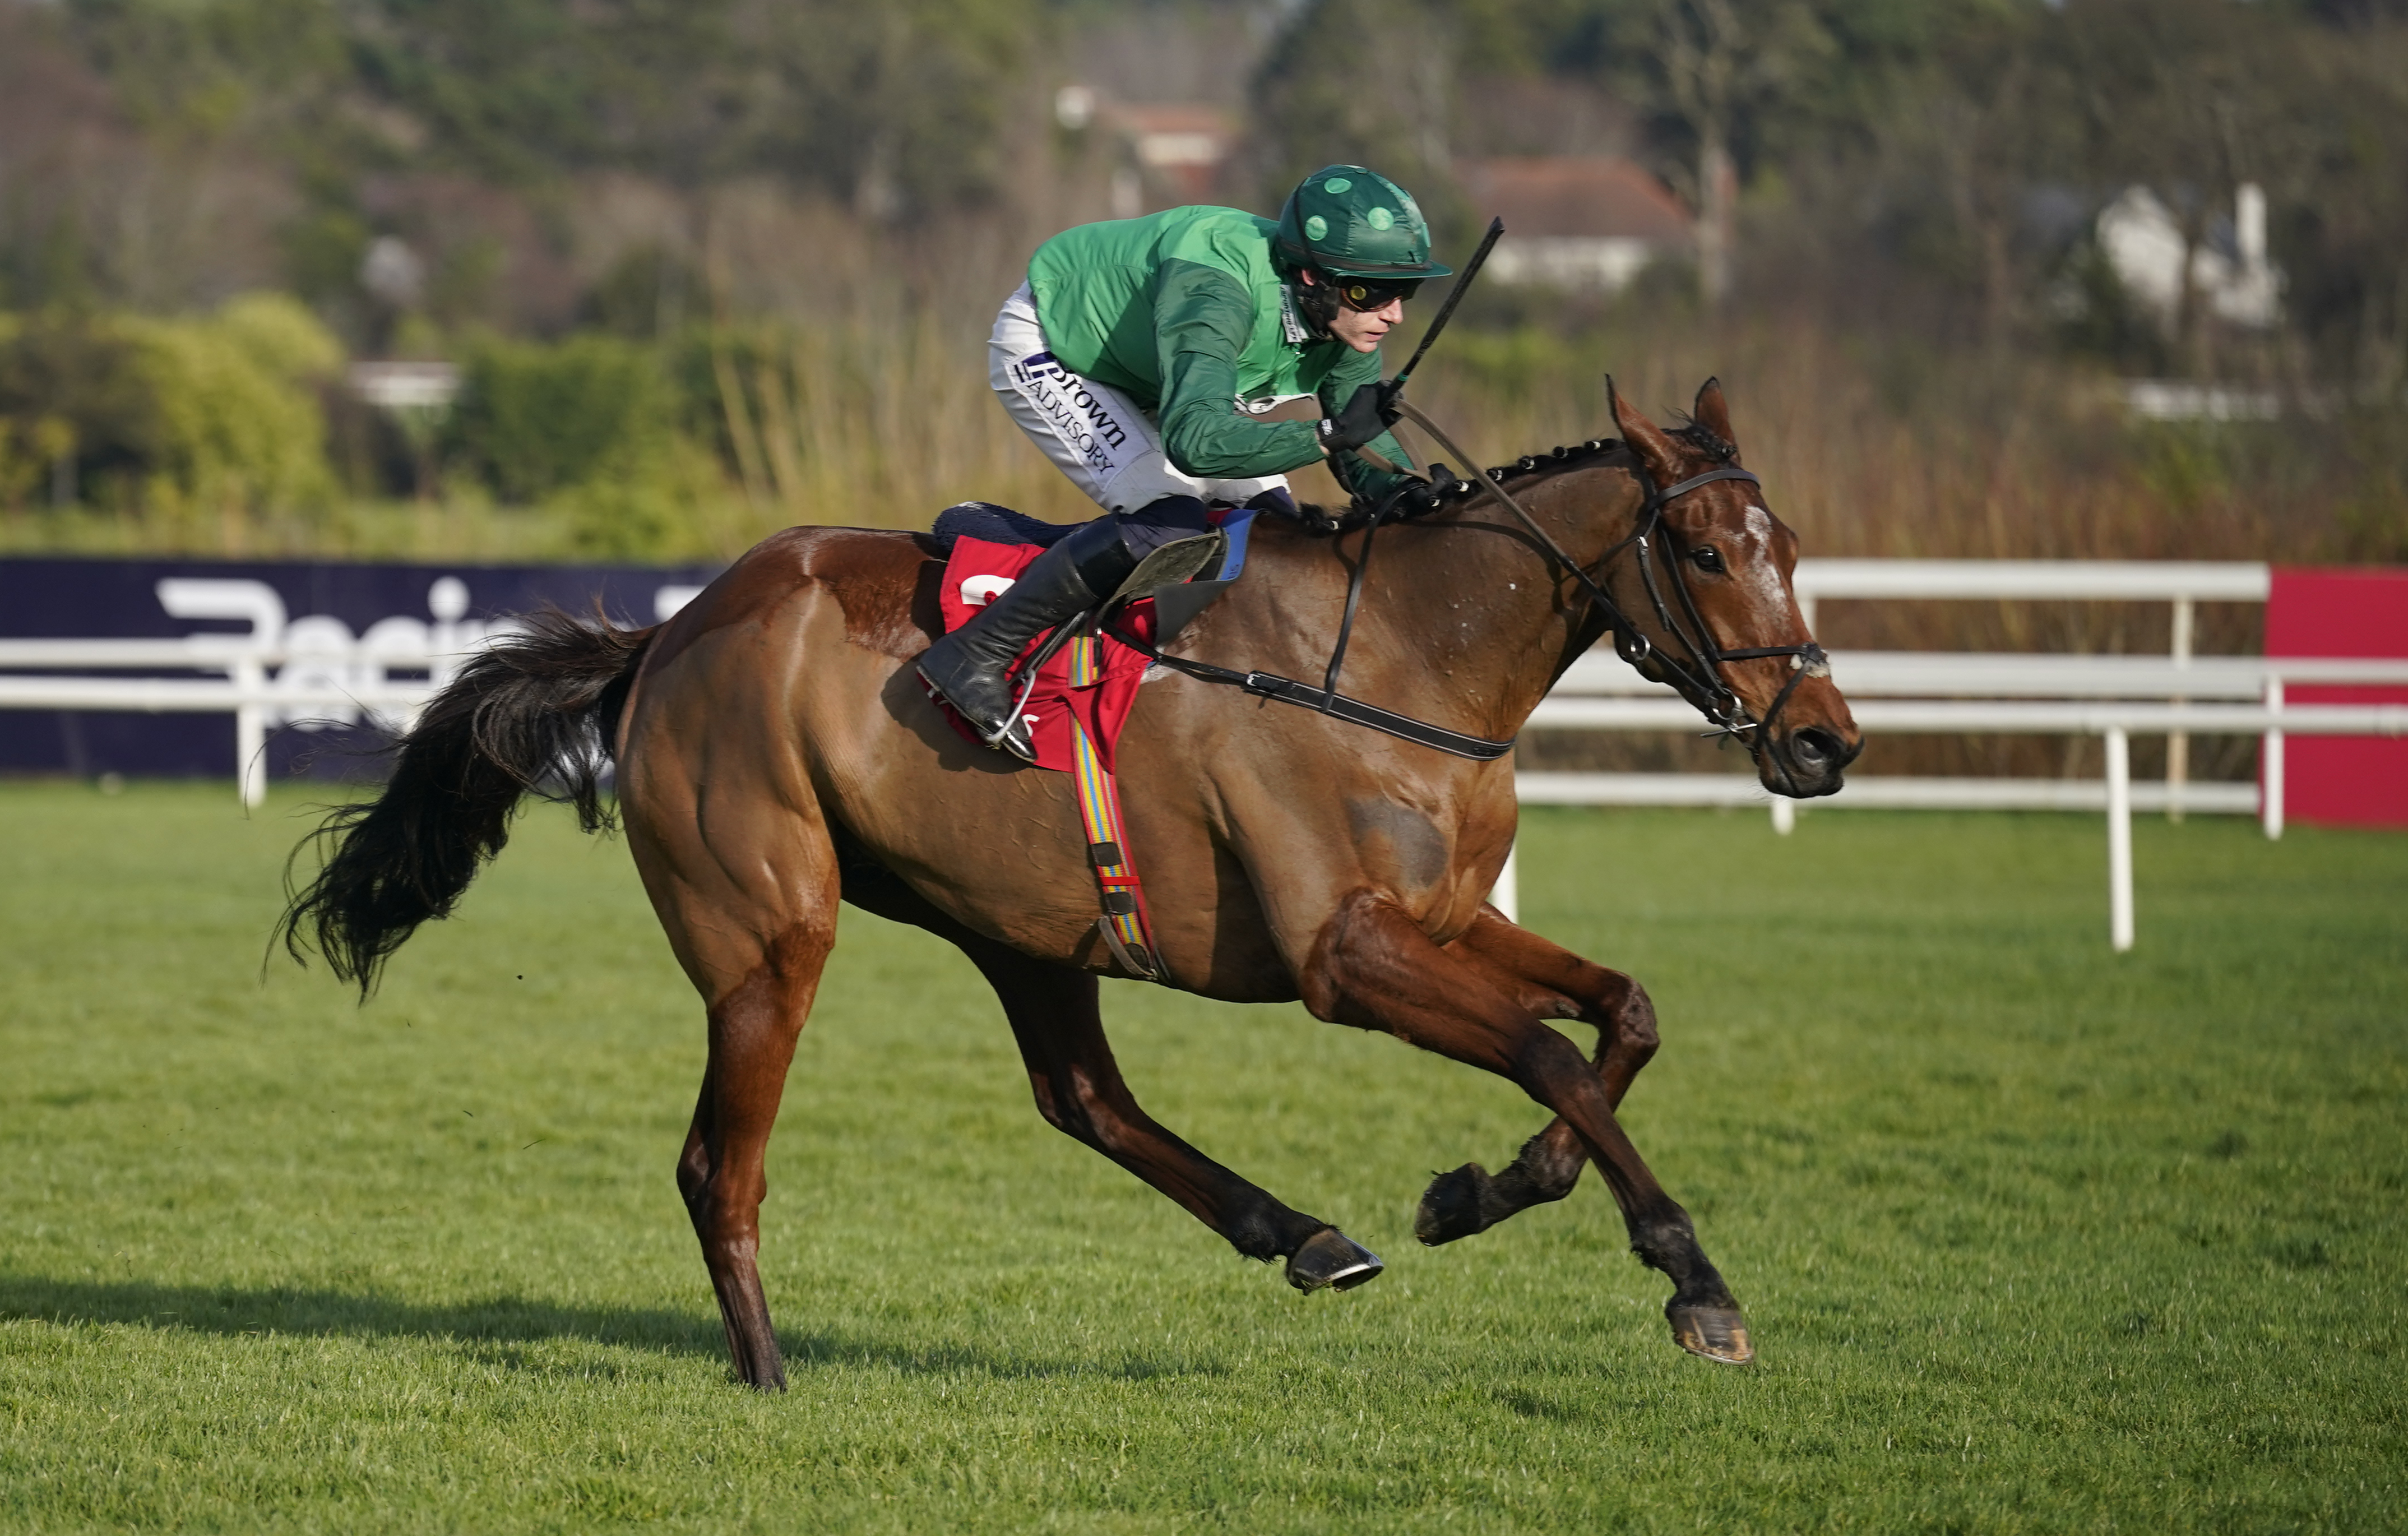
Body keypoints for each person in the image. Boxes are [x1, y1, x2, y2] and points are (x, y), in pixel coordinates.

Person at [917, 164, 1452, 761]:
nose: (1393, 314)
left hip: (1159, 379)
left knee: (1272, 532)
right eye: (1368, 292)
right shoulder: (1215, 288)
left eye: (1405, 292)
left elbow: (1360, 449)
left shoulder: (1349, 327)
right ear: (1310, 277)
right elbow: (1195, 440)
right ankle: (976, 653)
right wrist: (1325, 435)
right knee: (1170, 522)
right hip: (1058, 346)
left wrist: (1407, 495)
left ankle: (1017, 541)